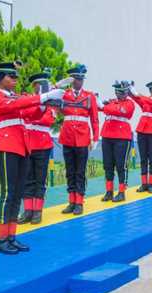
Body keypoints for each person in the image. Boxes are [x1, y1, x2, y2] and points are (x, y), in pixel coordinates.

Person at [0, 61, 64, 254]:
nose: (15, 79)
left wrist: (46, 102)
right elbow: (22, 103)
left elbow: (32, 112)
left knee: (17, 194)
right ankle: (1, 239)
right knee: (8, 193)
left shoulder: (15, 97)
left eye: (15, 76)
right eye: (10, 77)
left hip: (21, 146)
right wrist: (43, 96)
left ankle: (11, 236)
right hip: (6, 145)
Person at [59, 65, 99, 215]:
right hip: (68, 137)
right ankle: (71, 201)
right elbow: (46, 97)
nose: (79, 82)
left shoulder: (89, 96)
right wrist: (58, 85)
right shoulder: (63, 94)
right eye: (76, 79)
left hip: (82, 138)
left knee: (80, 171)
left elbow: (94, 119)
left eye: (81, 79)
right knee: (70, 171)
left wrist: (95, 137)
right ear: (71, 80)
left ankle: (79, 202)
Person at [18, 71, 57, 225]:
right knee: (27, 178)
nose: (42, 88)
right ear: (34, 86)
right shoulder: (26, 98)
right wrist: (34, 113)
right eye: (40, 85)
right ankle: (27, 210)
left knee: (40, 179)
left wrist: (32, 116)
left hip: (43, 144)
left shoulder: (49, 102)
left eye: (44, 85)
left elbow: (48, 120)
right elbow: (24, 114)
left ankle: (37, 211)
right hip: (27, 143)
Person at [100, 81, 135, 202]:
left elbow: (121, 111)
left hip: (122, 137)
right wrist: (105, 105)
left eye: (124, 92)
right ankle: (109, 191)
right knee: (107, 165)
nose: (122, 94)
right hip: (107, 135)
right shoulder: (112, 102)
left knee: (121, 165)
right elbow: (101, 107)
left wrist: (106, 107)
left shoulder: (130, 103)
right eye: (119, 92)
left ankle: (121, 192)